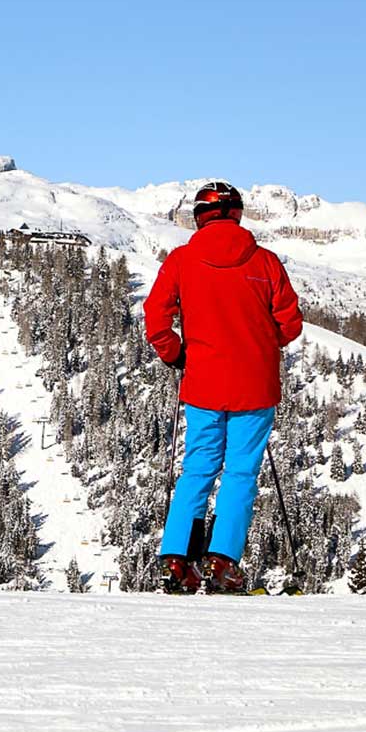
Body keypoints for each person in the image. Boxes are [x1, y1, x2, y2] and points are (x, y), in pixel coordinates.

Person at [144, 181, 303, 594]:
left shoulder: (181, 261)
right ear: (237, 215)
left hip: (202, 384)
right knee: (240, 473)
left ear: (199, 217)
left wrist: (175, 354)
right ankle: (221, 564)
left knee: (197, 470)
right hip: (255, 386)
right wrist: (263, 347)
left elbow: (155, 317)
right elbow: (290, 323)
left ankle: (177, 563)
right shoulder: (265, 262)